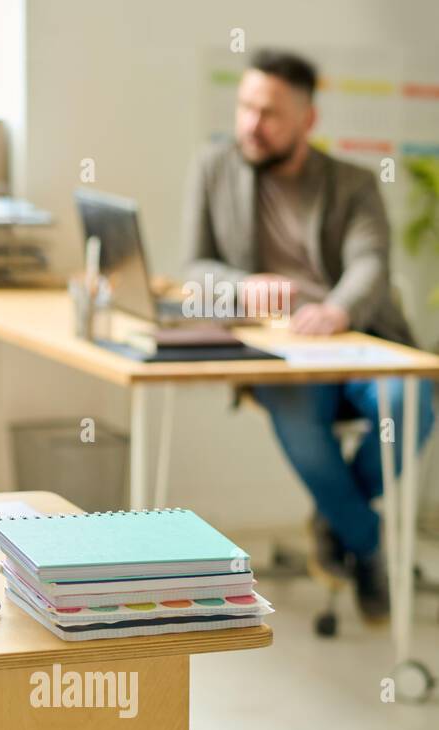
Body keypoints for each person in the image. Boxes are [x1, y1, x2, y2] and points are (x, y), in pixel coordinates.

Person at [182, 48, 435, 623]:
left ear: (308, 119)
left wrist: (338, 309)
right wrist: (246, 286)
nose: (252, 123)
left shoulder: (353, 183)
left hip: (356, 337)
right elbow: (194, 268)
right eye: (246, 107)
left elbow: (371, 262)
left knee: (411, 401)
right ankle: (365, 538)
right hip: (278, 351)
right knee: (299, 412)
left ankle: (337, 517)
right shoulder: (213, 169)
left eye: (269, 113)